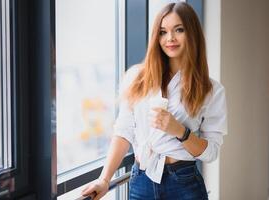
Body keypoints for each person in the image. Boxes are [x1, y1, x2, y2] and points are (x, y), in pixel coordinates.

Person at [81, 2, 227, 200]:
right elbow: (123, 132)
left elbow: (211, 153)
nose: (170, 38)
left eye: (179, 30)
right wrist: (104, 179)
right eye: (163, 32)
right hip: (141, 181)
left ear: (192, 34)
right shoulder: (136, 78)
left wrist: (180, 131)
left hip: (184, 183)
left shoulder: (211, 90)